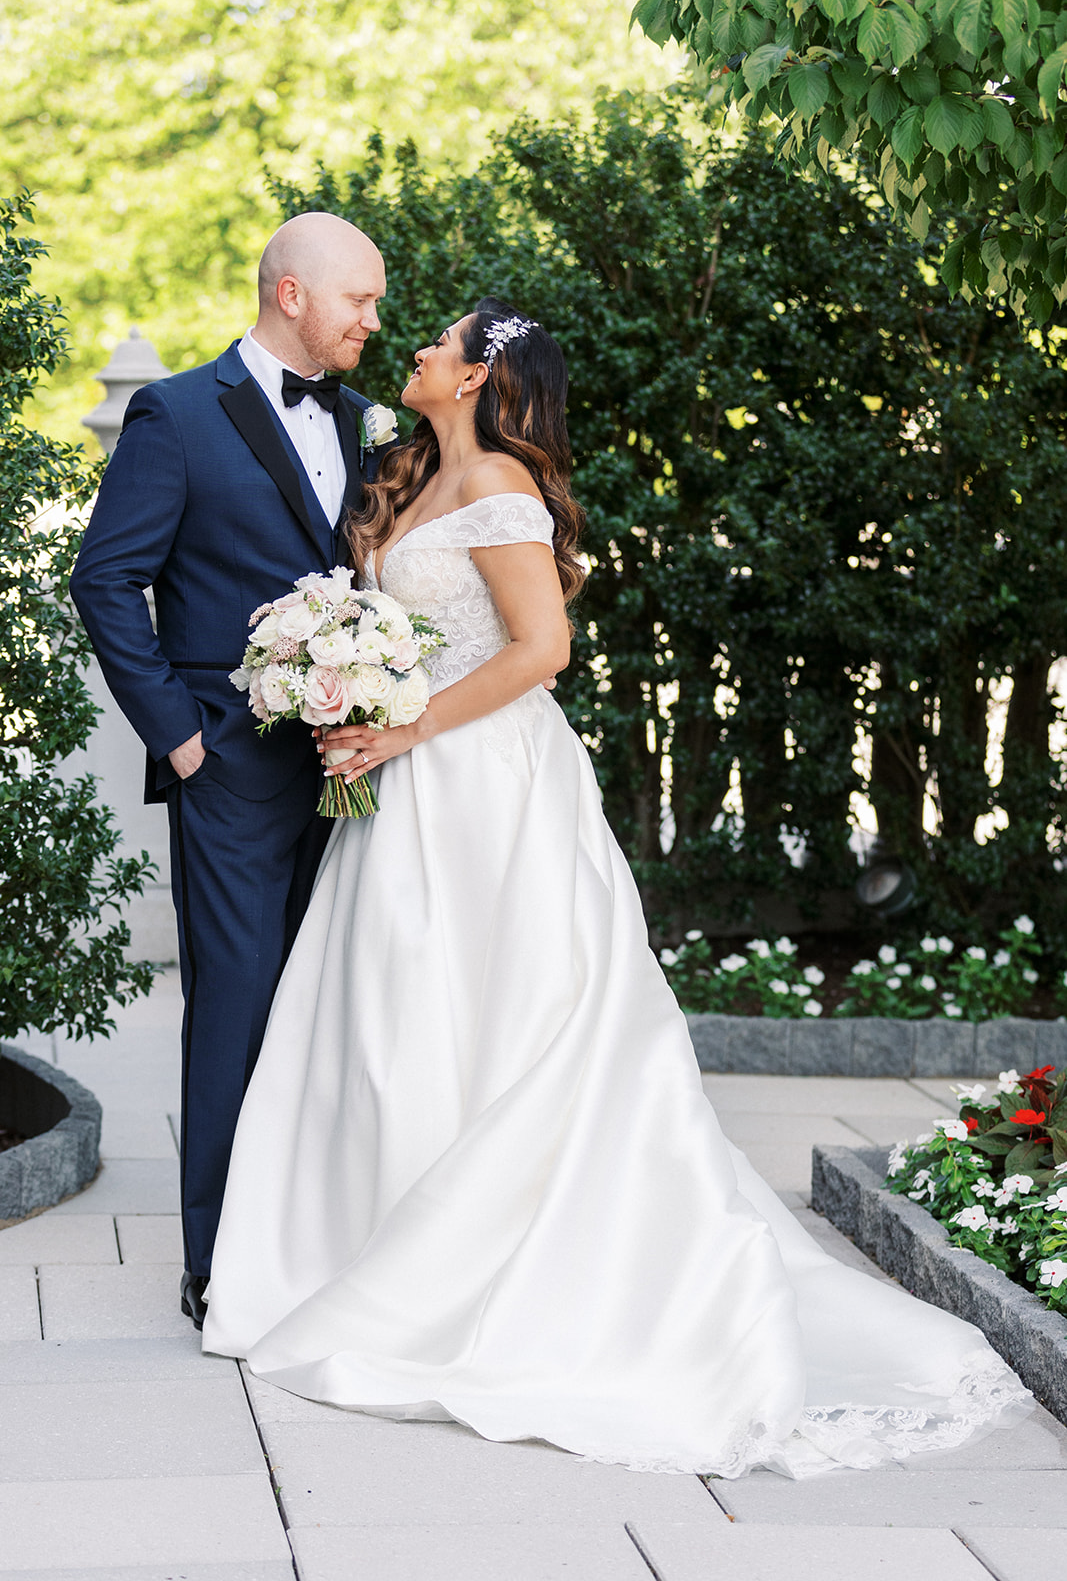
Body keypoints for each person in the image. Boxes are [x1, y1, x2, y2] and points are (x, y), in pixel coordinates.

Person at [202, 298, 1030, 1476]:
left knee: (508, 1014)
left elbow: (542, 651)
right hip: (408, 779)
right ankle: (370, 1244)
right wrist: (347, 694)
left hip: (484, 782)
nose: (418, 352)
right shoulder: (416, 477)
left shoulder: (500, 490)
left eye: (439, 342)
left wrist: (404, 726)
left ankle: (502, 1271)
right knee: (394, 1013)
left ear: (483, 376)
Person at [69, 213, 389, 1330]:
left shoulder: (363, 422)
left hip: (350, 770)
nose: (373, 319)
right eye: (359, 298)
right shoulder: (177, 415)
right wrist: (182, 736)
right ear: (290, 293)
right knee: (237, 1011)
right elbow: (106, 580)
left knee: (327, 1011)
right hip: (232, 771)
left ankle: (307, 1241)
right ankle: (217, 1268)